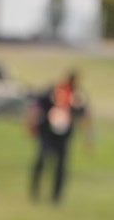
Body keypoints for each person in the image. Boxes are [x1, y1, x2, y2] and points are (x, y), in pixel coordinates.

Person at [26, 71, 92, 204]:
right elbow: (36, 104)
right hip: (47, 131)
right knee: (41, 158)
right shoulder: (54, 90)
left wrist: (88, 138)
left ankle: (56, 197)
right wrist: (31, 123)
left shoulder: (77, 96)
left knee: (61, 166)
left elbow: (84, 116)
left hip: (64, 135)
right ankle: (35, 191)